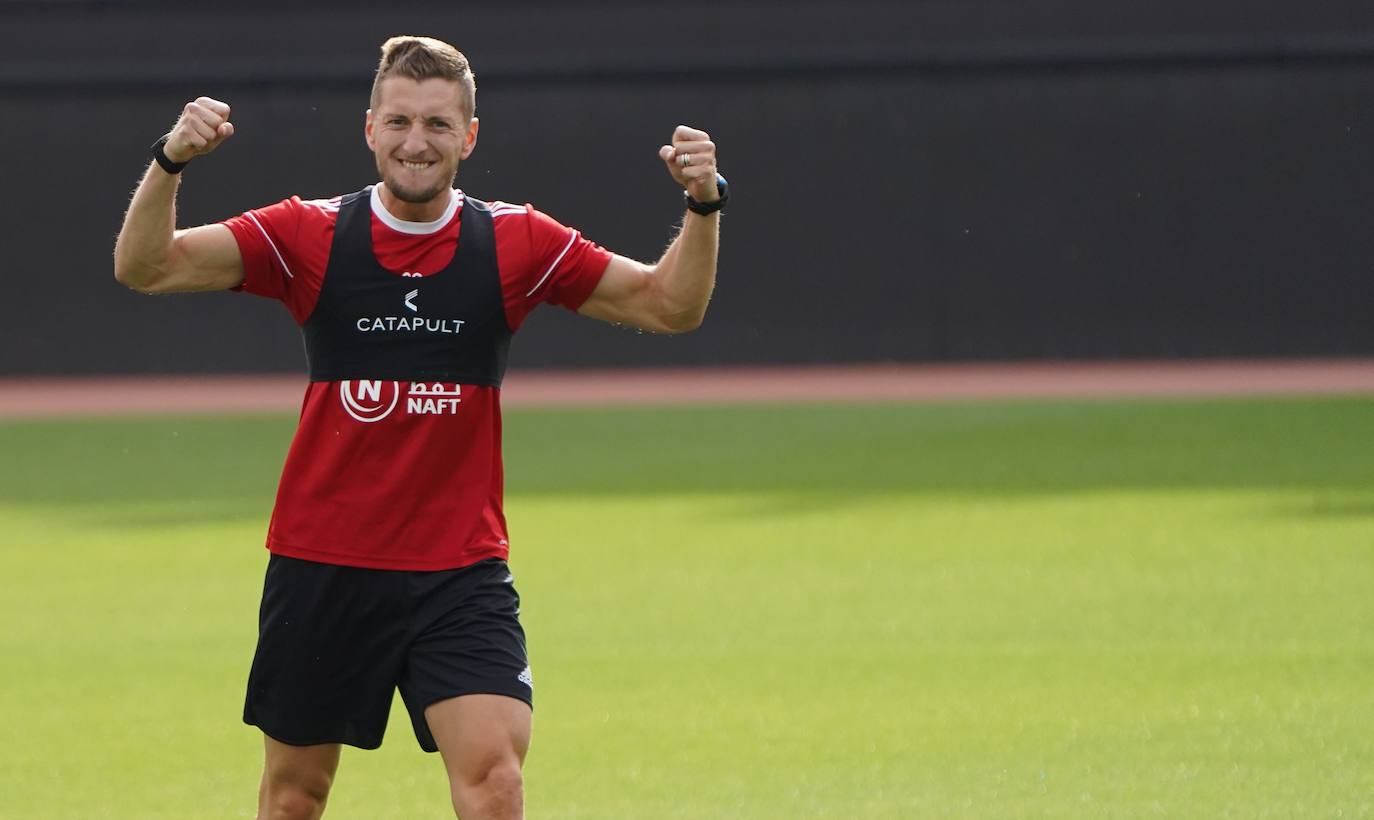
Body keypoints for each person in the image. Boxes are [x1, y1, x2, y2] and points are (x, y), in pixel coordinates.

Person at [112, 35, 724, 820]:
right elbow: (145, 266)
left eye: (438, 124)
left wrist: (703, 204)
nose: (415, 142)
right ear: (369, 129)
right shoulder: (309, 233)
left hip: (458, 570)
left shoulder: (516, 241)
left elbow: (669, 306)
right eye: (399, 120)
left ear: (469, 137)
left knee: (496, 781)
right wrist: (171, 162)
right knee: (296, 796)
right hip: (321, 561)